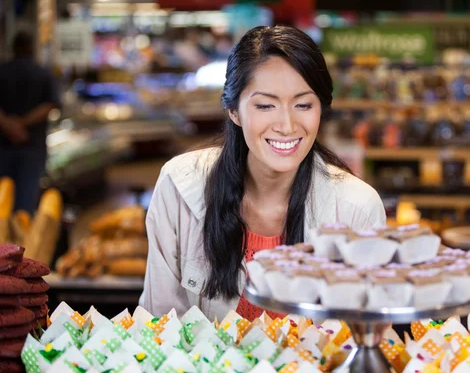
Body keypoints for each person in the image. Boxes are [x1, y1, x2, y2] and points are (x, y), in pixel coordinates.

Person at [140, 26, 386, 321]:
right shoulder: (179, 187)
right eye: (265, 105)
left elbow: (360, 341)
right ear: (234, 110)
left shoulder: (357, 208)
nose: (286, 125)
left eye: (303, 105)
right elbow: (159, 328)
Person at [0, 31, 60, 214]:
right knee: (25, 203)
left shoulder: (2, 71)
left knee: (2, 201)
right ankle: (21, 242)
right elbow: (50, 105)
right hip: (32, 146)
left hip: (4, 144)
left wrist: (9, 125)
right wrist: (23, 124)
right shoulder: (43, 73)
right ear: (31, 48)